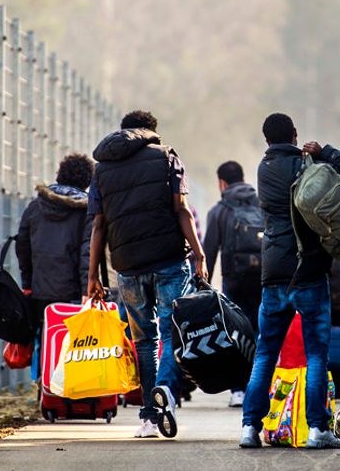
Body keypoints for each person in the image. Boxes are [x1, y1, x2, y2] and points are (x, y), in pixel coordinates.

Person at [239, 113, 340, 449]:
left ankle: (249, 429)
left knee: (266, 352)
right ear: (295, 135)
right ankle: (316, 430)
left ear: (266, 139)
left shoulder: (263, 169)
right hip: (308, 271)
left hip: (273, 274)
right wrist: (325, 152)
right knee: (316, 355)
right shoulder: (308, 167)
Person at [85, 110, 207, 439]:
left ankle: (149, 418)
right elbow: (181, 209)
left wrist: (92, 276)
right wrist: (198, 252)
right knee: (170, 333)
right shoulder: (165, 157)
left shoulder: (102, 169)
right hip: (168, 260)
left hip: (127, 267)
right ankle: (165, 390)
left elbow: (98, 225)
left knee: (144, 341)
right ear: (150, 133)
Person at [16, 153, 95, 380]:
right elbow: (86, 252)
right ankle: (70, 385)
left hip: (41, 287)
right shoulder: (86, 210)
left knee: (44, 332)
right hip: (72, 289)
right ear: (87, 181)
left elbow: (22, 247)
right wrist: (85, 289)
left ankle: (44, 382)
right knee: (73, 336)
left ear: (60, 175)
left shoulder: (36, 206)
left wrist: (28, 283)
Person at [203, 160, 263, 408]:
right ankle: (259, 386)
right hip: (262, 277)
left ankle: (238, 390)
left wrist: (204, 285)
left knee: (235, 333)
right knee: (261, 332)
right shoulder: (263, 205)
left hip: (234, 280)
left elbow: (209, 251)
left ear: (222, 183)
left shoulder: (219, 210)